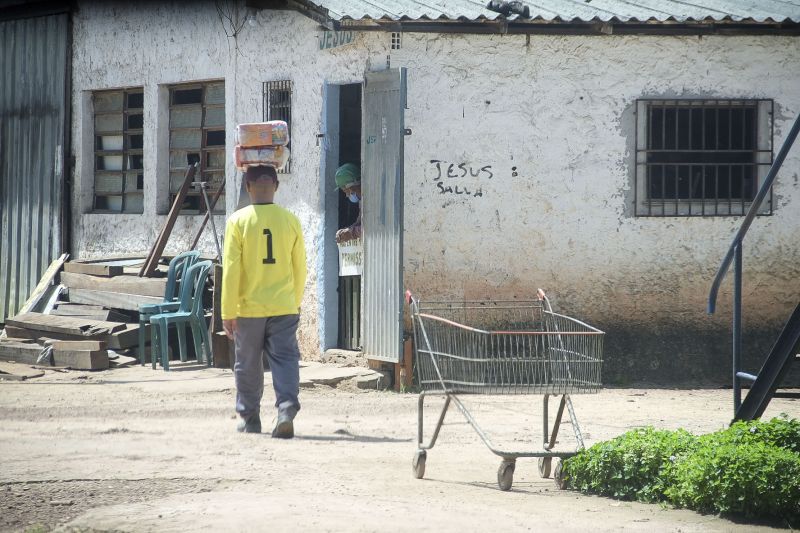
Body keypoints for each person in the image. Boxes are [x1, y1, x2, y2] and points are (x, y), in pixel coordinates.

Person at [221, 165, 307, 438]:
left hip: (249, 308)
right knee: (285, 359)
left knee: (247, 363)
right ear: (277, 187)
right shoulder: (291, 220)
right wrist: (295, 300)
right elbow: (300, 268)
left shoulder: (238, 221)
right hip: (284, 305)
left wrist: (227, 310)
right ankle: (285, 411)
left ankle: (249, 418)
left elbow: (231, 269)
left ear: (248, 187)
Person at [334, 163, 362, 243]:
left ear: (352, 186)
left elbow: (372, 229)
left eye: (346, 191)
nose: (347, 195)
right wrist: (347, 230)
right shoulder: (361, 200)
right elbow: (359, 222)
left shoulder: (372, 197)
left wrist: (351, 233)